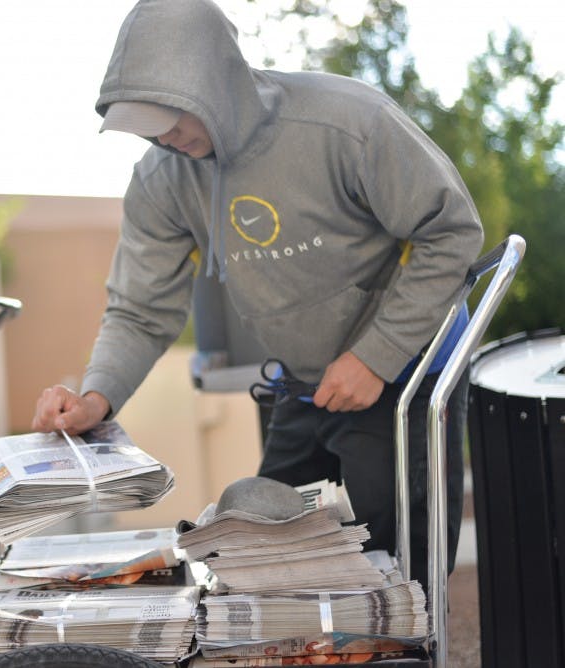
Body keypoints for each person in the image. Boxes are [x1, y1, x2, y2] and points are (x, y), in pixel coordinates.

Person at [30, 0, 483, 587]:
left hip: (404, 375)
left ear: (215, 83)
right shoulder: (161, 179)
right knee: (264, 557)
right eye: (147, 126)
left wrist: (378, 354)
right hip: (302, 386)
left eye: (172, 117)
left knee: (397, 577)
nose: (163, 137)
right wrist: (96, 397)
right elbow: (140, 311)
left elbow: (452, 233)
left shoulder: (346, 122)